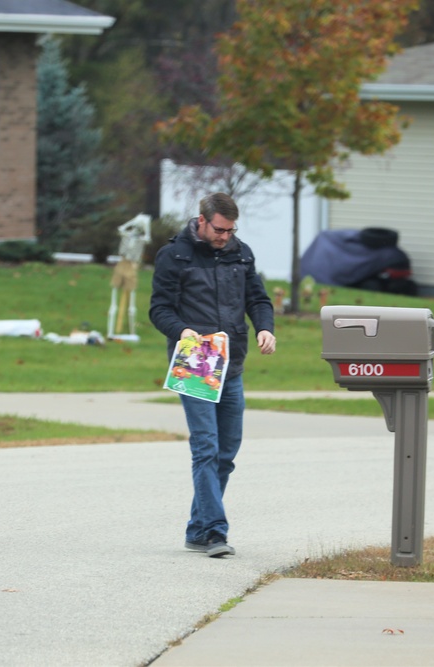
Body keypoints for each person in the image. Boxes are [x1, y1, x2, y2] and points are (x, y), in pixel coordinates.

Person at [149, 192, 276, 558]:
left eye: (231, 230)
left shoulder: (241, 251)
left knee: (226, 453)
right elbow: (159, 308)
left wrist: (264, 327)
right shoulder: (174, 255)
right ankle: (215, 533)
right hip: (196, 360)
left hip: (232, 361)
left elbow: (258, 299)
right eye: (220, 229)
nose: (225, 236)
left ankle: (196, 529)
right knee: (205, 447)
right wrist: (180, 330)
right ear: (202, 220)